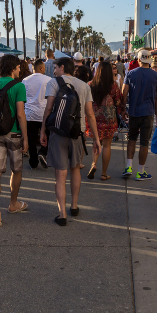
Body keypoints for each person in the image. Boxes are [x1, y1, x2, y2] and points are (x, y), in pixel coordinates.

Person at [40, 57, 101, 226]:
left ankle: (62, 214)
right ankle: (74, 206)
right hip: (77, 133)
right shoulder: (83, 85)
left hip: (58, 132)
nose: (54, 71)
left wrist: (43, 130)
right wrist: (96, 139)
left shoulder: (54, 83)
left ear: (61, 67)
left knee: (60, 173)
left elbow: (49, 109)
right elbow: (90, 114)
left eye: (55, 67)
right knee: (75, 169)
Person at [0, 55, 29, 226]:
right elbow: (20, 114)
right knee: (16, 169)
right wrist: (25, 137)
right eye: (18, 67)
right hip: (14, 134)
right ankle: (13, 204)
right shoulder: (19, 86)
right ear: (13, 69)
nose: (19, 70)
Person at [121, 49, 157, 180]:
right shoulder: (156, 76)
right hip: (148, 113)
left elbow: (124, 93)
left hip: (134, 112)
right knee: (144, 142)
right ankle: (141, 171)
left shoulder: (130, 74)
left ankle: (128, 167)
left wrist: (123, 109)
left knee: (132, 138)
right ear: (150, 60)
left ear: (139, 60)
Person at [87, 61, 126, 181]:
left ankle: (93, 164)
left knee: (96, 142)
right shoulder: (113, 85)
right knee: (107, 146)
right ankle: (103, 173)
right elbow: (118, 101)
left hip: (94, 118)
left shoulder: (90, 84)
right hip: (109, 119)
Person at [23, 59, 51, 169]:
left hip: (30, 113)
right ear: (41, 68)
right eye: (44, 67)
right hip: (44, 113)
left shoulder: (25, 80)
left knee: (32, 138)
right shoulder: (48, 80)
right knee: (47, 136)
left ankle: (33, 161)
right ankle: (43, 152)